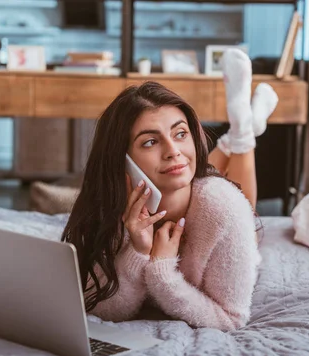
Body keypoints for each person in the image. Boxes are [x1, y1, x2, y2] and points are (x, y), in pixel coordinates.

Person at [61, 49, 279, 331]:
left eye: (180, 133)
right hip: (194, 197)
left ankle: (241, 132)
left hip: (226, 215)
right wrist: (138, 251)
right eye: (150, 142)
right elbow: (102, 309)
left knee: (239, 203)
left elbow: (230, 320)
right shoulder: (113, 209)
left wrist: (163, 273)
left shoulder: (224, 208)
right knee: (186, 170)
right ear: (122, 161)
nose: (173, 150)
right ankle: (239, 131)